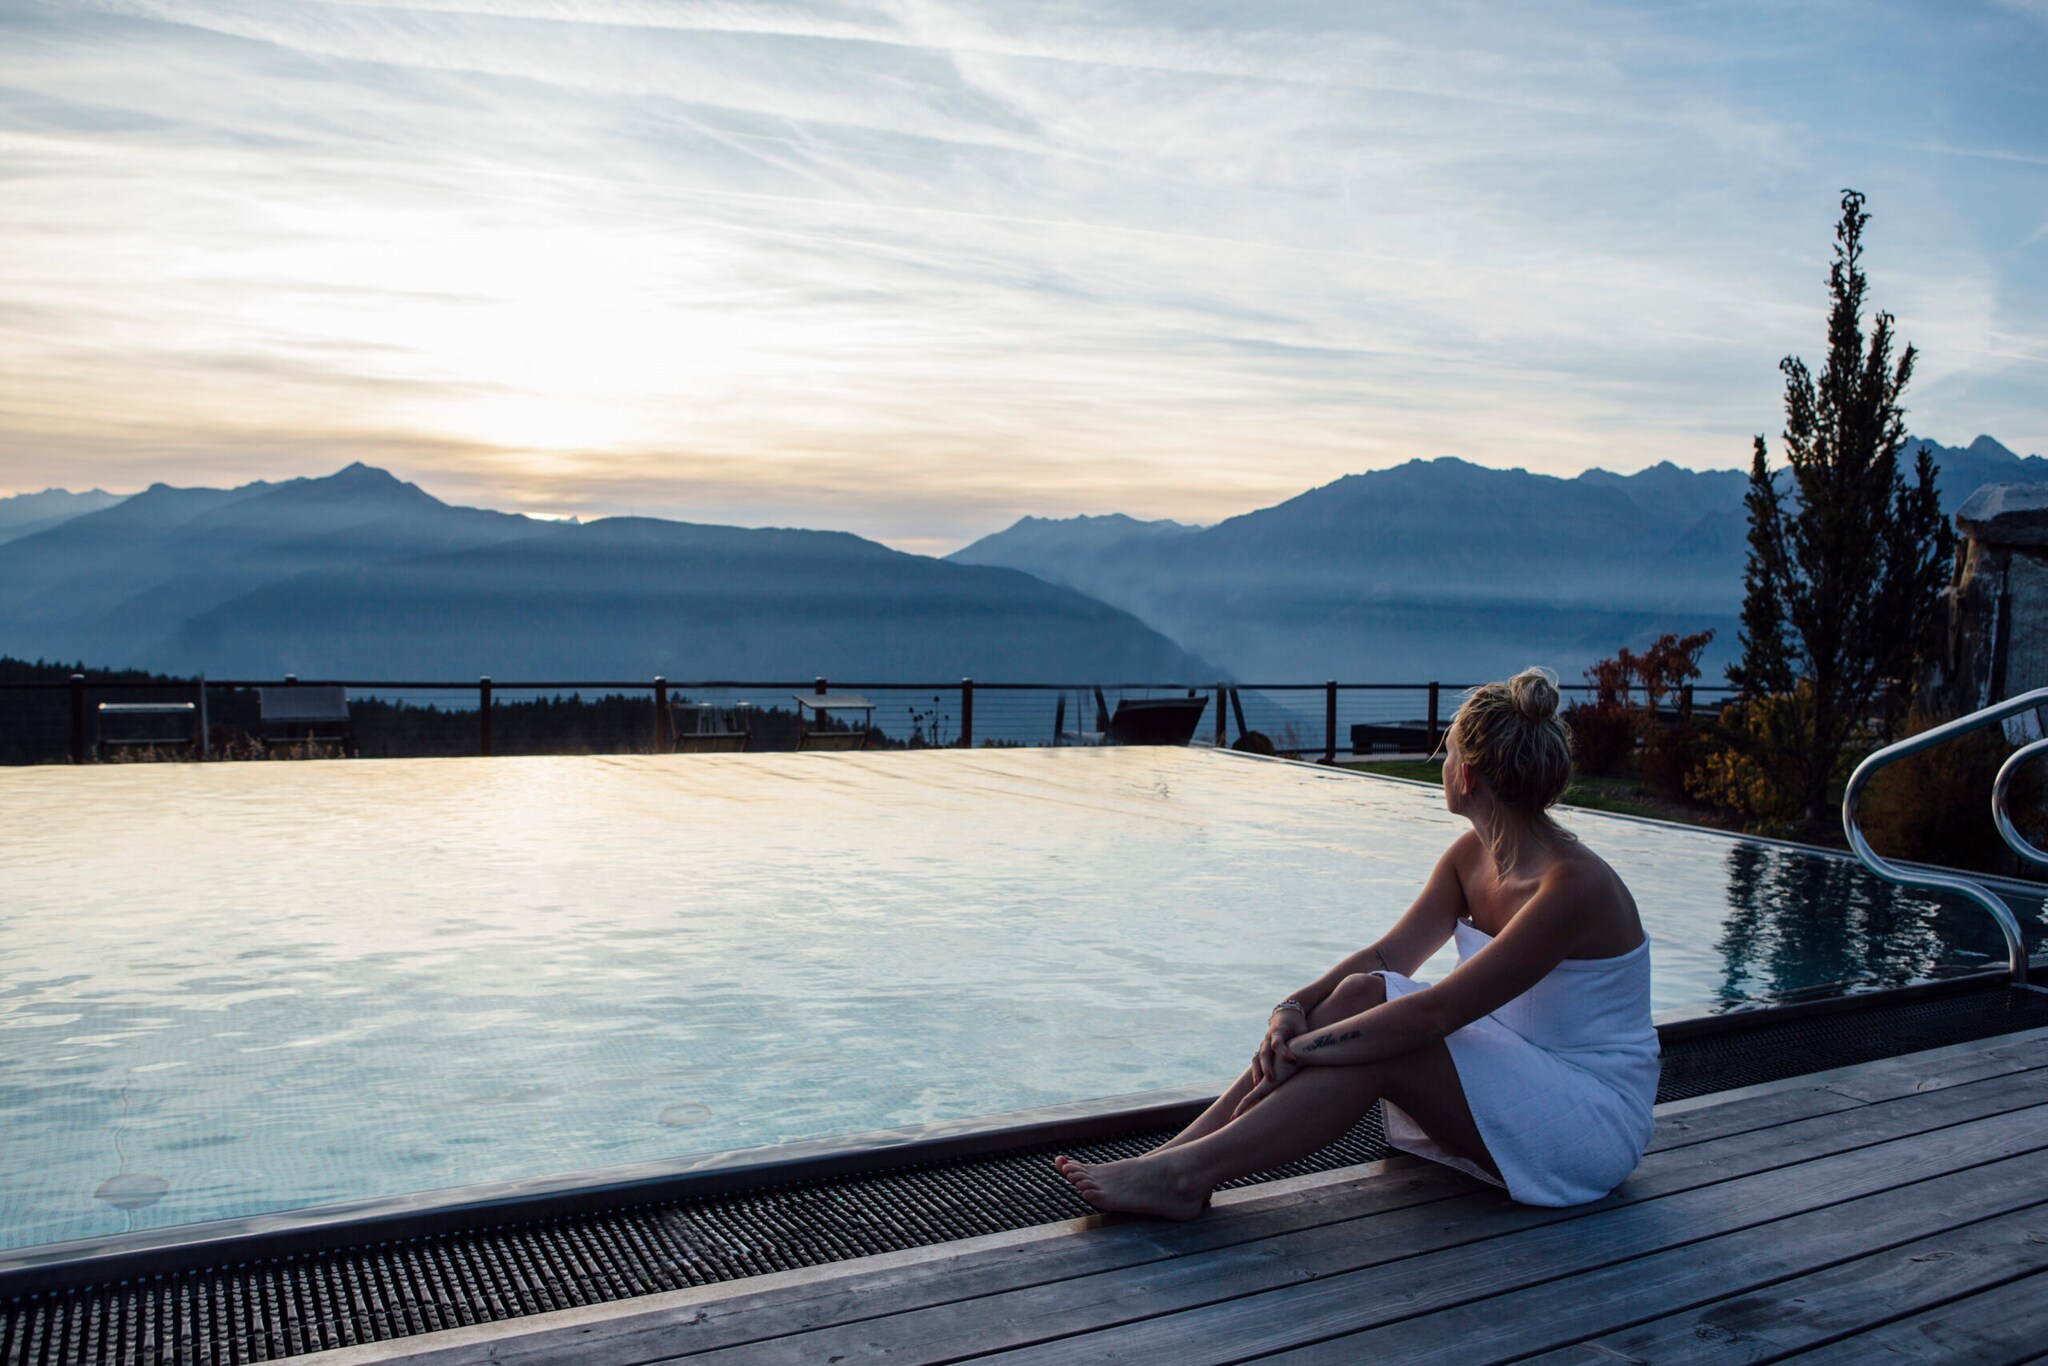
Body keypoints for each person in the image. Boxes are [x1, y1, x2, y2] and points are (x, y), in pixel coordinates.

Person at [1054, 667, 1659, 1218]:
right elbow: (1384, 960)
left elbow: (1437, 1012)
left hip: (1590, 1118)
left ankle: (1186, 1175)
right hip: (1518, 1069)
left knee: (1388, 1043)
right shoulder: (1470, 859)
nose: (1439, 765)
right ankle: (1178, 1160)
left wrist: (1312, 1049)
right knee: (1361, 991)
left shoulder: (1570, 887)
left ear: (1467, 775)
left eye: (1445, 754)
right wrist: (1290, 1011)